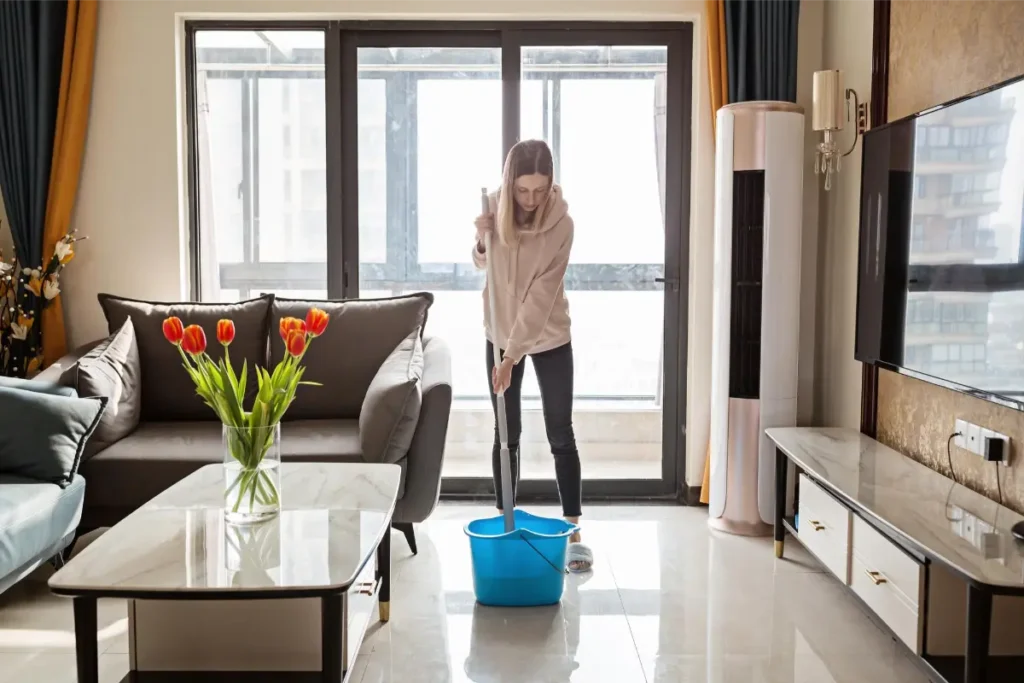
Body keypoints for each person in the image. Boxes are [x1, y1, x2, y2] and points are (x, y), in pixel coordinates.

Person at [472, 138, 592, 573]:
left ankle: (573, 526)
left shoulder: (563, 225)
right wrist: (482, 241)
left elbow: (541, 298)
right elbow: (484, 265)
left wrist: (511, 357)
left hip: (549, 335)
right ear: (510, 183)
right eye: (522, 190)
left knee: (560, 429)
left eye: (540, 190)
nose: (530, 199)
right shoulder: (496, 208)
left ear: (550, 184)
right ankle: (506, 521)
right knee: (507, 431)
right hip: (499, 332)